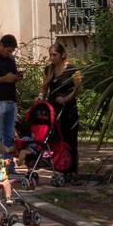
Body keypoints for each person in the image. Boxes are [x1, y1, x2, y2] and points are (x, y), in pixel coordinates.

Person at [43, 41, 83, 176]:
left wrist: (66, 99)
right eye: (50, 55)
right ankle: (60, 167)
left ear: (62, 55)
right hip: (53, 109)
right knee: (55, 139)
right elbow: (44, 88)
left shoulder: (72, 69)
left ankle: (72, 172)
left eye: (54, 55)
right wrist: (40, 98)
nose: (52, 57)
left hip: (68, 110)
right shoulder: (49, 69)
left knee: (70, 139)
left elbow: (78, 89)